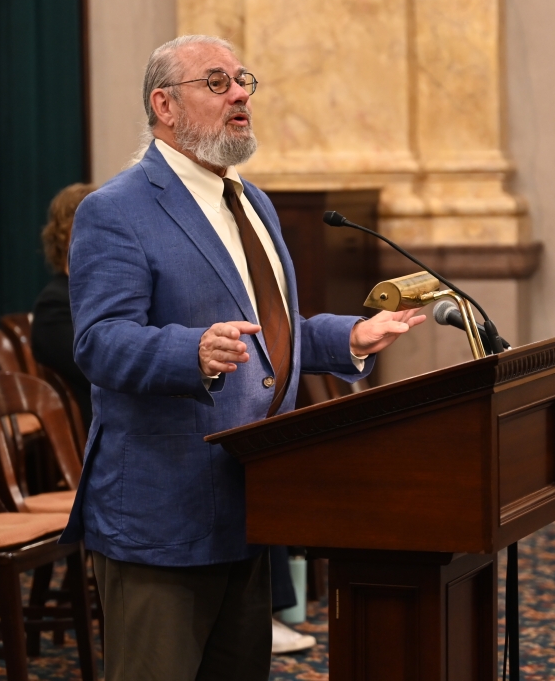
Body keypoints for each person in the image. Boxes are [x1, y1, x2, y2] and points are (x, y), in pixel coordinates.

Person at [60, 35, 425, 680]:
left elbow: (265, 337)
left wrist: (347, 339)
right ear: (164, 105)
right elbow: (99, 341)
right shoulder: (115, 210)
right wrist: (190, 350)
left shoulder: (252, 202)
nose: (239, 94)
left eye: (242, 80)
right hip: (164, 511)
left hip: (251, 499)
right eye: (217, 81)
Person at [31, 182, 98, 431]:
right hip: (92, 432)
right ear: (68, 235)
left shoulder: (101, 294)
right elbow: (99, 368)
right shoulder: (54, 305)